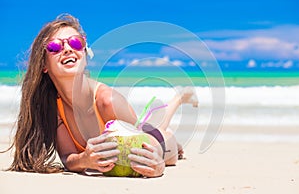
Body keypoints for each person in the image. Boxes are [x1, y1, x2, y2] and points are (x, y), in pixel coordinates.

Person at [5, 14, 198, 177]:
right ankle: (179, 98)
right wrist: (84, 160)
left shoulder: (107, 101)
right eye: (55, 47)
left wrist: (158, 161)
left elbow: (147, 142)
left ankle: (179, 99)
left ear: (84, 52)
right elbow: (68, 158)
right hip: (137, 135)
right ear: (44, 65)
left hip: (156, 142)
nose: (67, 48)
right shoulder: (54, 106)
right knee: (147, 123)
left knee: (161, 135)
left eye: (75, 42)